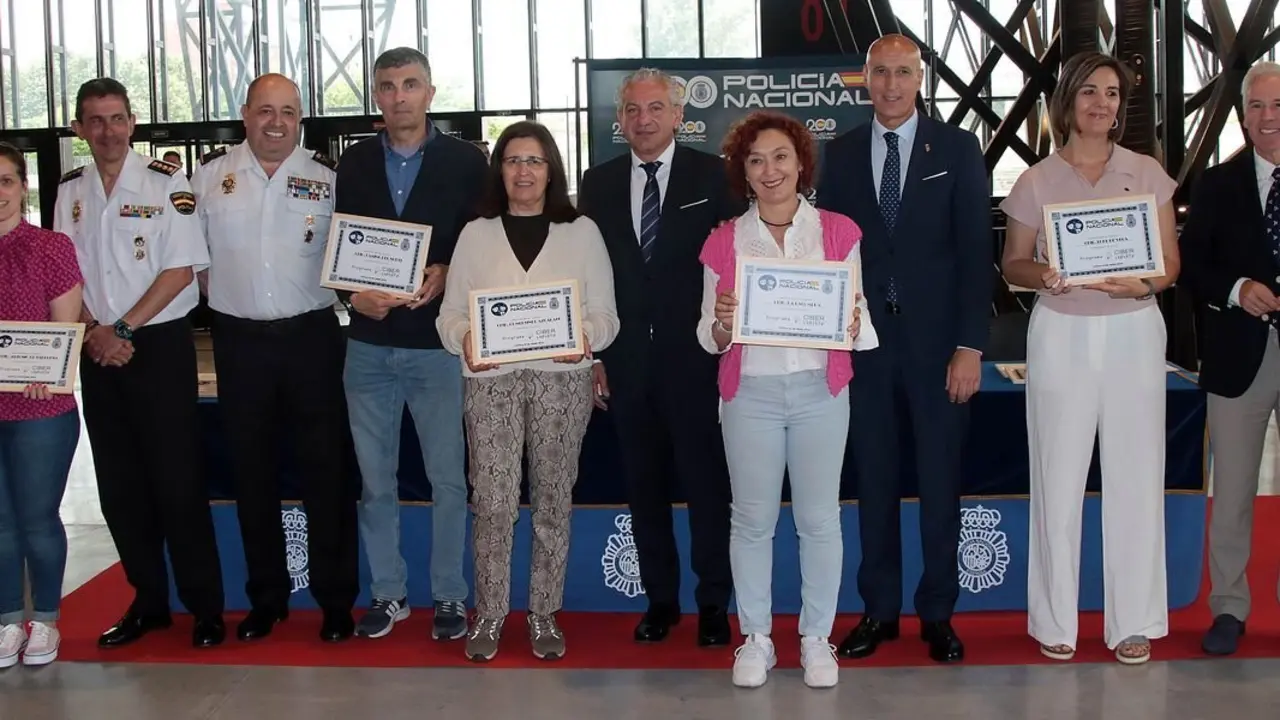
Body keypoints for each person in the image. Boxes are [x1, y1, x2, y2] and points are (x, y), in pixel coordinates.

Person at [1000, 51, 1180, 665]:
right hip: (1061, 336)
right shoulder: (1036, 179)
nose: (1101, 104)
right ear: (1068, 101)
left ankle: (1132, 620)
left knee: (1135, 475)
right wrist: (1044, 274)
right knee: (1057, 475)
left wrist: (1147, 284)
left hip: (1133, 333)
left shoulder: (1146, 171)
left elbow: (1170, 265)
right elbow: (1012, 264)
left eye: (1111, 94)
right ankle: (1055, 619)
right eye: (1089, 93)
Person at [817, 34, 991, 664]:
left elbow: (977, 254)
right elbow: (827, 253)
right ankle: (879, 611)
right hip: (863, 349)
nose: (891, 84)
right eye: (881, 72)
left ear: (921, 78)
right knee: (874, 482)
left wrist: (972, 344)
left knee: (942, 482)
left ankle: (938, 613)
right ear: (865, 79)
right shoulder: (835, 155)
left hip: (941, 350)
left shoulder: (957, 148)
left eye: (904, 73)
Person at [696, 112, 876, 688]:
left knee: (820, 519)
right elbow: (707, 336)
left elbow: (861, 322)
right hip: (749, 394)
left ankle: (816, 638)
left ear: (801, 163)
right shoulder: (724, 241)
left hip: (820, 391)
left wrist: (847, 321)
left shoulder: (839, 232)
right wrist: (724, 323)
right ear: (743, 174)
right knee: (750, 520)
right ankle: (756, 638)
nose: (769, 170)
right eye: (755, 160)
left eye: (780, 157)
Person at [53, 78, 225, 649]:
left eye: (117, 119)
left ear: (133, 123)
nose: (107, 131)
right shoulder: (70, 191)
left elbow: (181, 269)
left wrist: (121, 328)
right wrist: (94, 335)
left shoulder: (164, 183)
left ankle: (204, 607)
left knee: (177, 481)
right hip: (97, 349)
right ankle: (147, 601)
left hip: (156, 345)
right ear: (79, 129)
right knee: (120, 488)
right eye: (95, 121)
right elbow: (64, 276)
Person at [437, 121, 619, 662]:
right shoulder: (476, 233)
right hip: (489, 383)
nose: (523, 171)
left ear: (551, 169)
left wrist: (585, 339)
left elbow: (605, 314)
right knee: (492, 503)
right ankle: (489, 613)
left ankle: (543, 613)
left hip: (561, 381)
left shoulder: (581, 232)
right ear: (500, 169)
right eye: (513, 160)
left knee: (552, 501)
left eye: (535, 161)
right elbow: (450, 316)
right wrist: (464, 340)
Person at [576, 67, 741, 646]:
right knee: (643, 488)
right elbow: (587, 280)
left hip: (695, 362)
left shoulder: (717, 176)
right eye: (631, 110)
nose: (642, 120)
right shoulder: (594, 186)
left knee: (706, 488)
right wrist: (592, 355)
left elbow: (734, 259)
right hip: (624, 364)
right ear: (619, 119)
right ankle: (661, 602)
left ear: (678, 115)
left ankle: (715, 604)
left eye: (654, 109)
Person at [191, 73, 358, 643]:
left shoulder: (327, 180)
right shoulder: (210, 178)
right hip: (239, 342)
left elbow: (353, 258)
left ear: (301, 115)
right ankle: (267, 599)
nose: (276, 122)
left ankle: (336, 601)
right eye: (266, 110)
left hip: (312, 339)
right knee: (252, 473)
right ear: (246, 113)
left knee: (326, 475)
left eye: (288, 111)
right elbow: (195, 261)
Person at [336, 47, 487, 641]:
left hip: (437, 347)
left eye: (410, 84)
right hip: (368, 345)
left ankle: (450, 595)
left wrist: (447, 270)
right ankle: (389, 593)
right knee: (375, 482)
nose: (399, 96)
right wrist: (352, 295)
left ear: (430, 91)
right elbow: (340, 246)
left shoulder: (467, 161)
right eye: (388, 86)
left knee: (449, 478)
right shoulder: (352, 163)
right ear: (377, 95)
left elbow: (478, 243)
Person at [1179, 60, 1280, 657]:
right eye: (1258, 107)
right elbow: (1190, 267)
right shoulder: (1217, 184)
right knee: (1234, 489)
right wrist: (1238, 288)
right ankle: (1229, 608)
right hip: (1239, 355)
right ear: (1244, 115)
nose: (1269, 118)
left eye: (1278, 105)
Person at [0, 143, 84, 667]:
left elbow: (65, 330)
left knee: (36, 520)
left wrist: (43, 373)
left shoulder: (51, 247)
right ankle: (8, 621)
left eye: (6, 181)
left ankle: (46, 621)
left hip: (40, 412)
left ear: (23, 186)